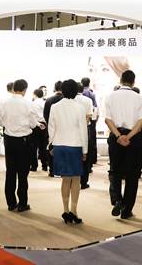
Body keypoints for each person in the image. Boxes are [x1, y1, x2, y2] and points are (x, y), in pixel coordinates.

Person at [104, 70, 142, 219]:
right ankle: (127, 210)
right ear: (133, 82)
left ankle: (117, 200)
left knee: (114, 170)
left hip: (116, 136)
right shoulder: (139, 97)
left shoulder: (110, 96)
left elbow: (107, 119)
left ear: (120, 80)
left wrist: (118, 136)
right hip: (133, 137)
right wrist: (128, 136)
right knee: (132, 174)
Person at [49, 79, 88, 224]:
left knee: (65, 179)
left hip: (59, 145)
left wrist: (51, 144)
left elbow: (51, 127)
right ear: (76, 91)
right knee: (76, 179)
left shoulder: (55, 106)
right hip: (75, 145)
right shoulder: (80, 107)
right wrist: (85, 150)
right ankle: (74, 211)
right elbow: (83, 130)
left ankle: (65, 210)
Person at [0, 79, 41, 211]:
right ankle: (22, 203)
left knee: (10, 171)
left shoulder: (4, 102)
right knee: (23, 173)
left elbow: (1, 122)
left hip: (9, 139)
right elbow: (33, 124)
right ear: (24, 90)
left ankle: (11, 203)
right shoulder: (28, 103)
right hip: (24, 141)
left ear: (13, 88)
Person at [75, 83, 94, 189]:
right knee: (85, 155)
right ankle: (83, 182)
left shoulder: (70, 100)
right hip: (85, 129)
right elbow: (89, 116)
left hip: (72, 130)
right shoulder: (88, 100)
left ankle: (73, 181)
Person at [43, 80, 64, 176]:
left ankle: (52, 170)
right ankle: (62, 169)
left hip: (51, 127)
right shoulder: (66, 100)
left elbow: (45, 115)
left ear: (55, 88)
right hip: (64, 128)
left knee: (51, 147)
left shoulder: (49, 100)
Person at [29, 88, 48, 172]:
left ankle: (34, 166)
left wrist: (36, 124)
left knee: (34, 147)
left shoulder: (32, 103)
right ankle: (44, 165)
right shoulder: (45, 102)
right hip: (44, 124)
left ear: (35, 94)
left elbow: (31, 116)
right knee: (43, 146)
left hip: (35, 125)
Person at [81, 77, 99, 165]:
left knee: (84, 138)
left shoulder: (80, 94)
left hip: (82, 118)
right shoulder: (91, 93)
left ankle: (85, 158)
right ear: (89, 83)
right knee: (92, 139)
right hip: (91, 118)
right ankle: (92, 159)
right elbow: (95, 107)